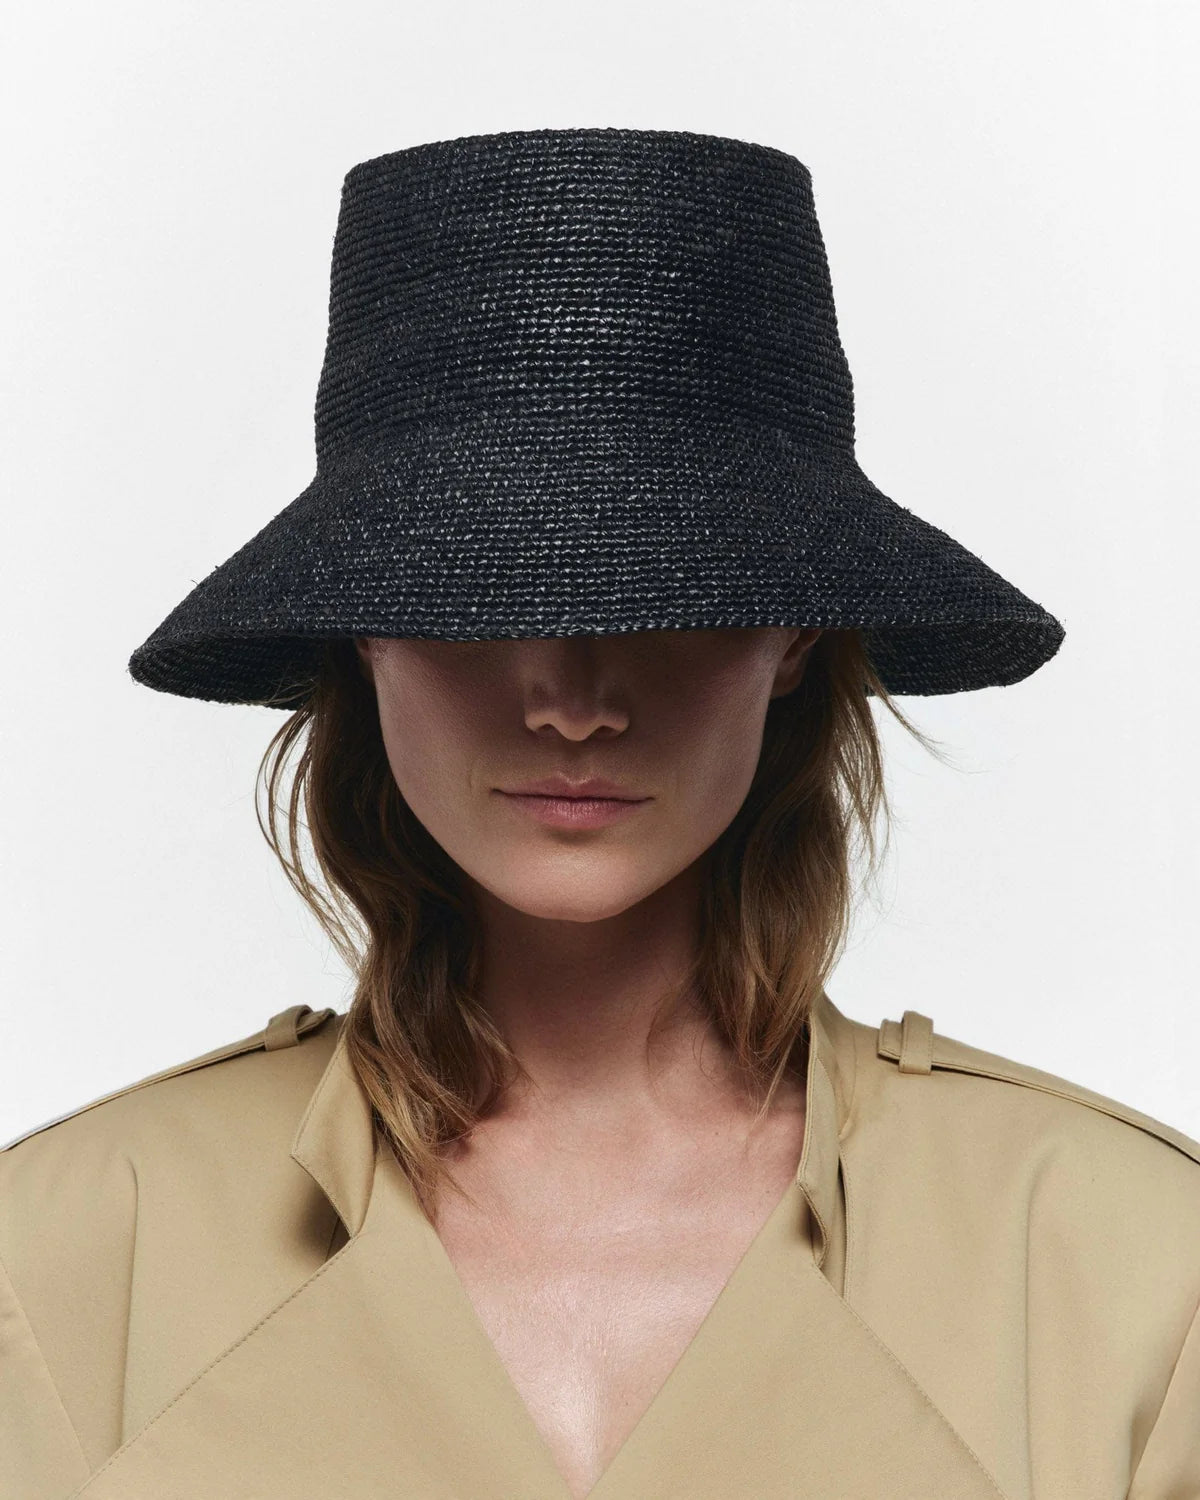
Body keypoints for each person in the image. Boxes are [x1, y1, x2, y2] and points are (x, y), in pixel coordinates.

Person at [2, 126, 1196, 1500]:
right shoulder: (67, 1260)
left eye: (670, 593)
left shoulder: (1127, 1267)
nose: (571, 701)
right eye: (475, 594)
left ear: (795, 634)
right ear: (363, 632)